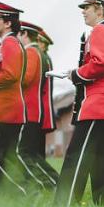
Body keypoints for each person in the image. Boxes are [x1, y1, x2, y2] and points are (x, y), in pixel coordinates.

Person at [54, 0, 104, 207]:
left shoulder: (100, 32)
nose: (83, 11)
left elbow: (100, 63)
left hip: (99, 102)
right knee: (102, 160)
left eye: (87, 8)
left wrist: (76, 74)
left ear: (99, 10)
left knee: (78, 155)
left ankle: (64, 205)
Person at [0, 1, 32, 195]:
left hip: (7, 108)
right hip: (8, 107)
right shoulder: (7, 42)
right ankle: (14, 194)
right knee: (4, 155)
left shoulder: (9, 42)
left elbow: (10, 74)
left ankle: (21, 190)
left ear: (7, 23)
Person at [17, 20, 55, 190]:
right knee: (33, 153)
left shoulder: (32, 53)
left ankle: (51, 183)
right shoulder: (40, 55)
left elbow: (25, 80)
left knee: (28, 153)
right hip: (38, 108)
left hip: (31, 109)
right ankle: (49, 183)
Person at [36, 28, 59, 184]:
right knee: (35, 152)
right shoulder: (45, 57)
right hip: (44, 109)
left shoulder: (42, 57)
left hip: (41, 109)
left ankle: (53, 181)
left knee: (34, 154)